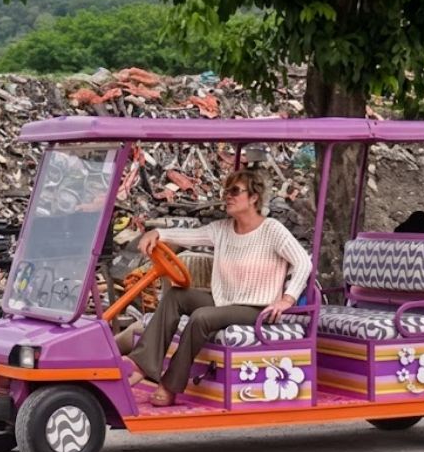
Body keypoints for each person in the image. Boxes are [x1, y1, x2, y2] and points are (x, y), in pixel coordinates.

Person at [124, 169, 312, 407]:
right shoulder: (222, 228)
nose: (228, 197)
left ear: (254, 197)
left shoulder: (272, 230)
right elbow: (190, 235)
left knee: (202, 317)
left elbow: (303, 261)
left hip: (256, 308)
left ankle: (170, 385)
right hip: (225, 301)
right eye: (227, 191)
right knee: (175, 296)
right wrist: (158, 232)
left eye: (235, 191)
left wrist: (287, 299)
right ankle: (143, 364)